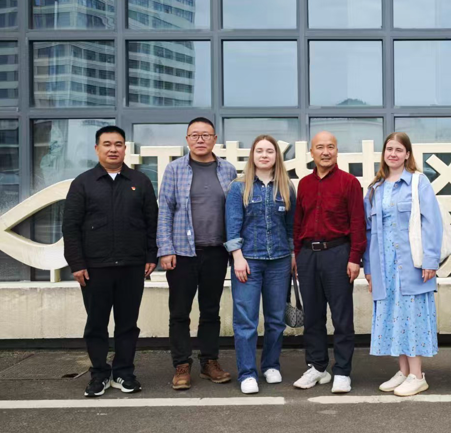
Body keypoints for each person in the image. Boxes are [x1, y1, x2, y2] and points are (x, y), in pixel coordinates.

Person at [62, 125, 158, 397]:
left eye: (118, 144)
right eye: (107, 144)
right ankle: (99, 375)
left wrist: (151, 256)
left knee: (128, 324)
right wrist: (77, 263)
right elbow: (70, 227)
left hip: (132, 266)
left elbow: (152, 222)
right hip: (95, 268)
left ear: (125, 149)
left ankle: (124, 373)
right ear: (97, 149)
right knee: (96, 324)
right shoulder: (83, 183)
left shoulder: (140, 181)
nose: (113, 149)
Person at [157, 117, 237, 390]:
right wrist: (165, 248)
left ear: (215, 139)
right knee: (179, 312)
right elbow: (165, 210)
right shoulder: (175, 169)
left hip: (216, 251)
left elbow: (234, 210)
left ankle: (209, 362)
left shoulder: (227, 169)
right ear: (187, 139)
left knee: (211, 311)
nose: (200, 139)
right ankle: (181, 364)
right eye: (194, 135)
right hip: (182, 253)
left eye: (205, 135)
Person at [363, 132, 442, 397]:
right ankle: (404, 371)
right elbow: (368, 231)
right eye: (389, 149)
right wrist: (369, 269)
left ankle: (417, 375)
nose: (393, 154)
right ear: (384, 153)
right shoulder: (375, 188)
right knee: (394, 317)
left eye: (399, 149)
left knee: (411, 316)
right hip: (384, 265)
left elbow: (432, 222)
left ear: (407, 154)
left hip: (412, 264)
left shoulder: (419, 182)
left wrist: (430, 260)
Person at [292, 132, 366, 393]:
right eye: (320, 147)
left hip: (338, 253)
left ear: (337, 151)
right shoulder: (304, 184)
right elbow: (298, 222)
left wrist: (355, 258)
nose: (326, 152)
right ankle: (317, 367)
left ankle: (342, 371)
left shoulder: (349, 182)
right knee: (312, 316)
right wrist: (296, 254)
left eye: (331, 147)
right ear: (312, 152)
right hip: (308, 255)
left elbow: (358, 222)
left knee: (341, 317)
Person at [225, 135, 296, 394]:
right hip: (249, 262)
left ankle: (271, 365)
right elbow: (232, 225)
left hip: (279, 261)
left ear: (277, 156)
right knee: (246, 320)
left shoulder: (286, 187)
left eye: (269, 151)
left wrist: (292, 254)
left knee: (276, 319)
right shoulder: (239, 187)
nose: (264, 155)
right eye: (259, 151)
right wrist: (237, 257)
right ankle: (247, 373)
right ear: (252, 155)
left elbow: (290, 227)